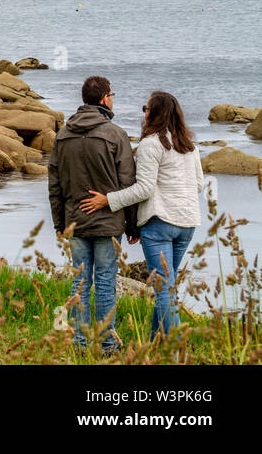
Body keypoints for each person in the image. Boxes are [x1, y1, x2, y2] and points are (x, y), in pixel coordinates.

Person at [79, 91, 204, 339]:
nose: (144, 112)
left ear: (154, 112)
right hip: (188, 222)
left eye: (146, 108)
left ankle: (174, 347)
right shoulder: (189, 145)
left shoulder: (150, 144)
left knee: (163, 288)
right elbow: (198, 184)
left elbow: (144, 188)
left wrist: (108, 200)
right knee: (167, 287)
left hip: (159, 224)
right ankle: (156, 343)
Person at [48, 75, 138, 353]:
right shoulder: (115, 134)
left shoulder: (62, 136)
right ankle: (108, 343)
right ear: (103, 99)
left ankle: (79, 342)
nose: (113, 99)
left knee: (80, 282)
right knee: (105, 281)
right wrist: (133, 225)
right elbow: (128, 182)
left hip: (75, 222)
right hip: (109, 223)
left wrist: (60, 224)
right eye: (112, 94)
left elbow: (55, 185)